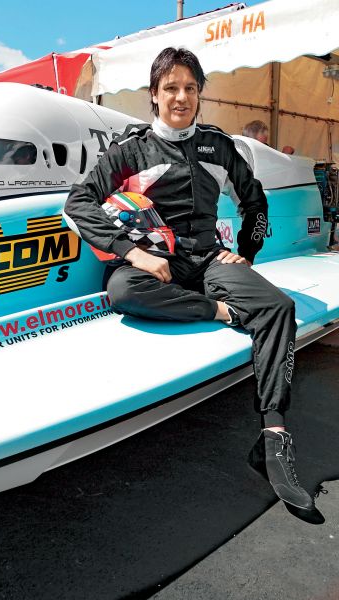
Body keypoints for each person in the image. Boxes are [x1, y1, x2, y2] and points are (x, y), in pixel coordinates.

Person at [64, 47, 320, 519]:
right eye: (171, 89)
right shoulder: (131, 148)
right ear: (154, 95)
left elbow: (255, 201)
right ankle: (222, 311)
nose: (181, 98)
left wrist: (247, 252)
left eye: (190, 88)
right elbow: (78, 202)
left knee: (278, 307)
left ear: (199, 94)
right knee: (122, 290)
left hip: (207, 259)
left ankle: (273, 438)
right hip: (153, 263)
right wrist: (133, 253)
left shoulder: (219, 146)